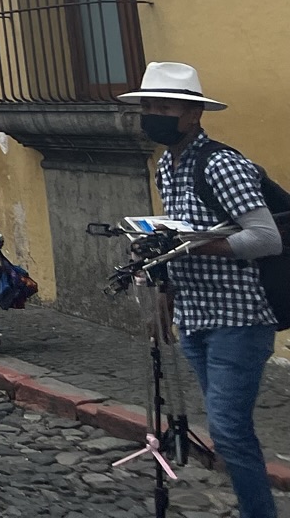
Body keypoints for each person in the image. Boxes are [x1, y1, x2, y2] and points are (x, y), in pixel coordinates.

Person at [120, 62, 283, 518]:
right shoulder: (167, 166)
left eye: (164, 108)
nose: (153, 116)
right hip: (195, 315)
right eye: (148, 107)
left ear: (193, 114)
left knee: (229, 431)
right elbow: (177, 234)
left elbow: (266, 238)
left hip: (239, 316)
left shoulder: (222, 165)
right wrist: (166, 289)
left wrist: (193, 245)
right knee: (228, 428)